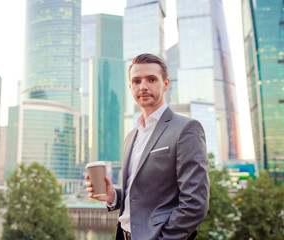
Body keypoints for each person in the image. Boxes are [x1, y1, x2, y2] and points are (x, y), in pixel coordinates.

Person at [85, 53, 209, 240]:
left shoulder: (186, 129)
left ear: (165, 84)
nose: (143, 87)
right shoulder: (131, 136)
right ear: (130, 87)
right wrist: (114, 197)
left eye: (151, 79)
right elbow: (142, 194)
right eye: (136, 81)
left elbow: (195, 204)